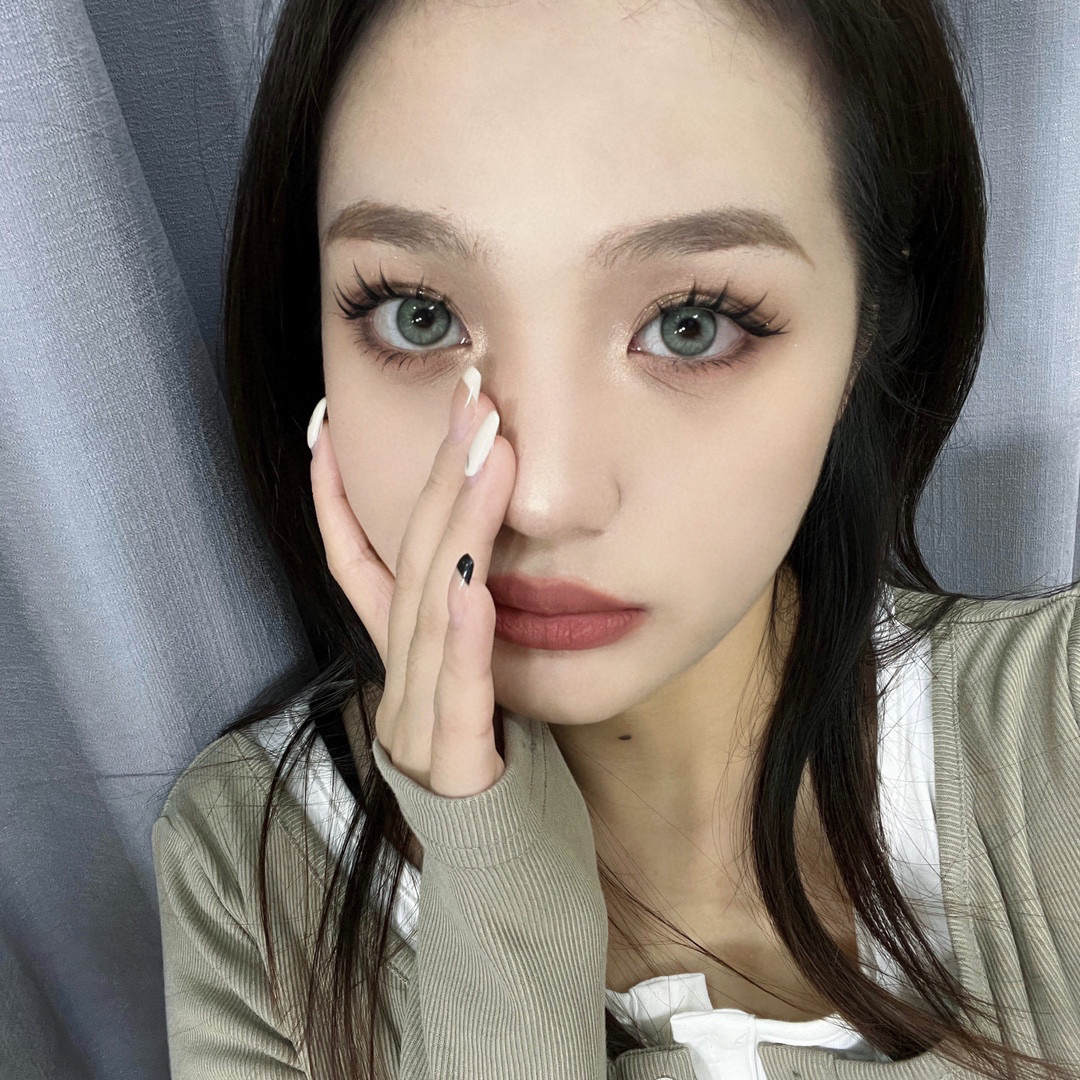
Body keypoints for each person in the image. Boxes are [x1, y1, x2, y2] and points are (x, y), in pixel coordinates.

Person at [150, 0, 1080, 1077]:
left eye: (693, 324)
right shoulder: (252, 873)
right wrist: (488, 876)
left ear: (871, 325)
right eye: (417, 314)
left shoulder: (1055, 731)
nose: (543, 500)